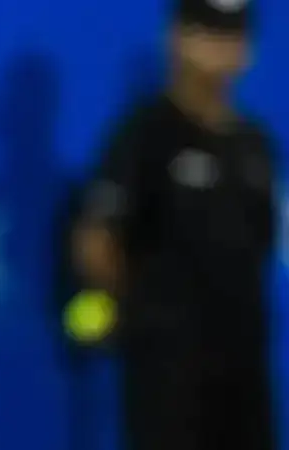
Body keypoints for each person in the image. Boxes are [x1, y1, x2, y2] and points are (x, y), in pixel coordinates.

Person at [72, 0, 278, 449]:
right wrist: (148, 318)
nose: (218, 47)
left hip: (245, 372)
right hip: (167, 375)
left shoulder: (256, 146)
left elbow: (263, 243)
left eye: (231, 33)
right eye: (206, 30)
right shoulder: (144, 136)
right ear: (177, 37)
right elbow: (96, 240)